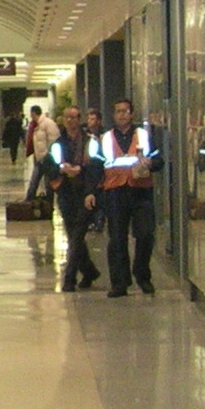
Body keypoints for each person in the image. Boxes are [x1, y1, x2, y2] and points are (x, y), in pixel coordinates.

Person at [94, 99, 164, 296]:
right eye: (118, 112)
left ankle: (142, 275)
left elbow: (160, 160)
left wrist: (150, 163)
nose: (121, 115)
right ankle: (119, 282)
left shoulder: (143, 135)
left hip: (140, 191)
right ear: (114, 115)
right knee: (116, 239)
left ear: (132, 114)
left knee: (144, 235)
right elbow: (97, 166)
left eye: (125, 111)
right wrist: (94, 191)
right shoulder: (105, 138)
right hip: (115, 191)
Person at [41, 121, 102, 292]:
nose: (71, 122)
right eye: (68, 118)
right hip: (67, 195)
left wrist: (80, 170)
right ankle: (89, 271)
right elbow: (48, 166)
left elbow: (97, 166)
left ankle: (70, 278)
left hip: (85, 195)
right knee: (74, 236)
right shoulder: (58, 145)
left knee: (77, 235)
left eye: (74, 117)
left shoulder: (91, 142)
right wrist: (62, 171)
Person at [21, 103, 59, 199]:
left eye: (31, 114)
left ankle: (46, 203)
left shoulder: (47, 123)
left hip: (47, 159)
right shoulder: (35, 125)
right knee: (35, 182)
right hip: (39, 158)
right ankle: (29, 201)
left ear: (34, 113)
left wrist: (48, 154)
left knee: (46, 183)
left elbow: (54, 140)